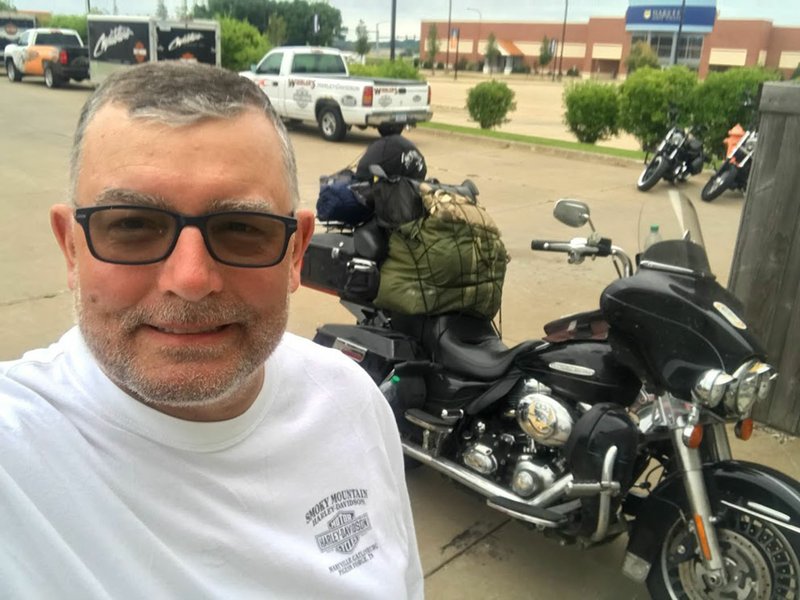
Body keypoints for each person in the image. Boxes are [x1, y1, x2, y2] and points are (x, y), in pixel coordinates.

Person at [0, 62, 423, 599]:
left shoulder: (352, 403)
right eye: (131, 225)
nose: (192, 279)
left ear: (296, 253)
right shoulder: (15, 455)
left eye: (242, 228)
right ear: (71, 247)